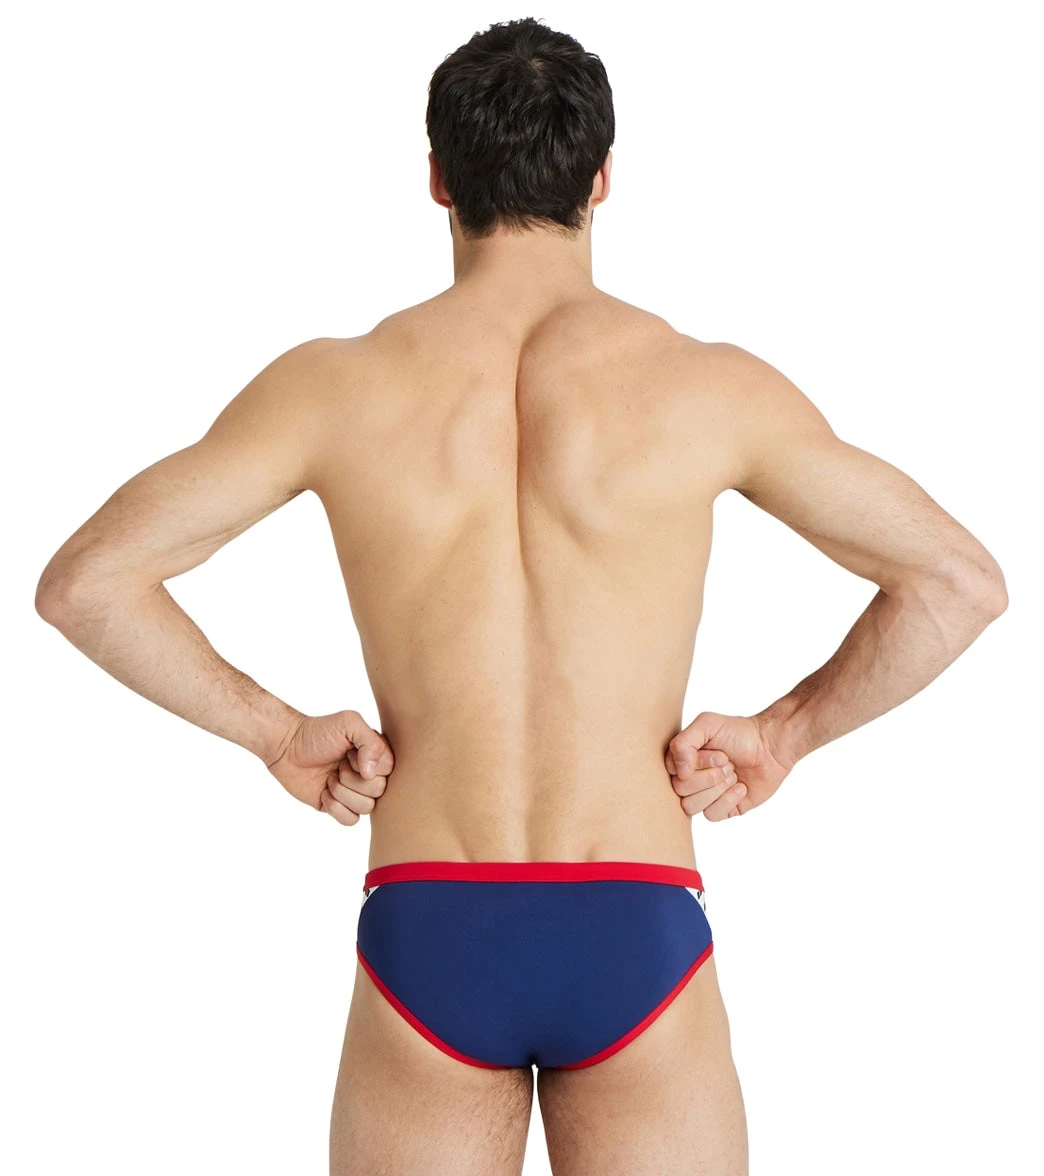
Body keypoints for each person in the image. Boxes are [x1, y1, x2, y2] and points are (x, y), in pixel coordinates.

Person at [34, 16, 1007, 1176]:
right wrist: (783, 735)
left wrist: (277, 733)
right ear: (603, 179)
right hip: (637, 908)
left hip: (427, 914)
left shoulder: (334, 388)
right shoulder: (709, 390)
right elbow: (956, 582)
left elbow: (88, 584)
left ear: (438, 179)